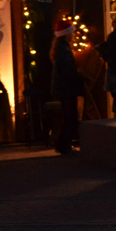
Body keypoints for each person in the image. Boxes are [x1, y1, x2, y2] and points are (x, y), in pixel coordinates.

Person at [50, 20, 81, 154]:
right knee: (69, 116)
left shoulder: (61, 49)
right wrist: (78, 76)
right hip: (67, 89)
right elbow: (67, 71)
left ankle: (63, 144)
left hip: (63, 89)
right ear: (67, 34)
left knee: (67, 117)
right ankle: (65, 145)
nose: (73, 35)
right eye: (72, 33)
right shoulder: (65, 50)